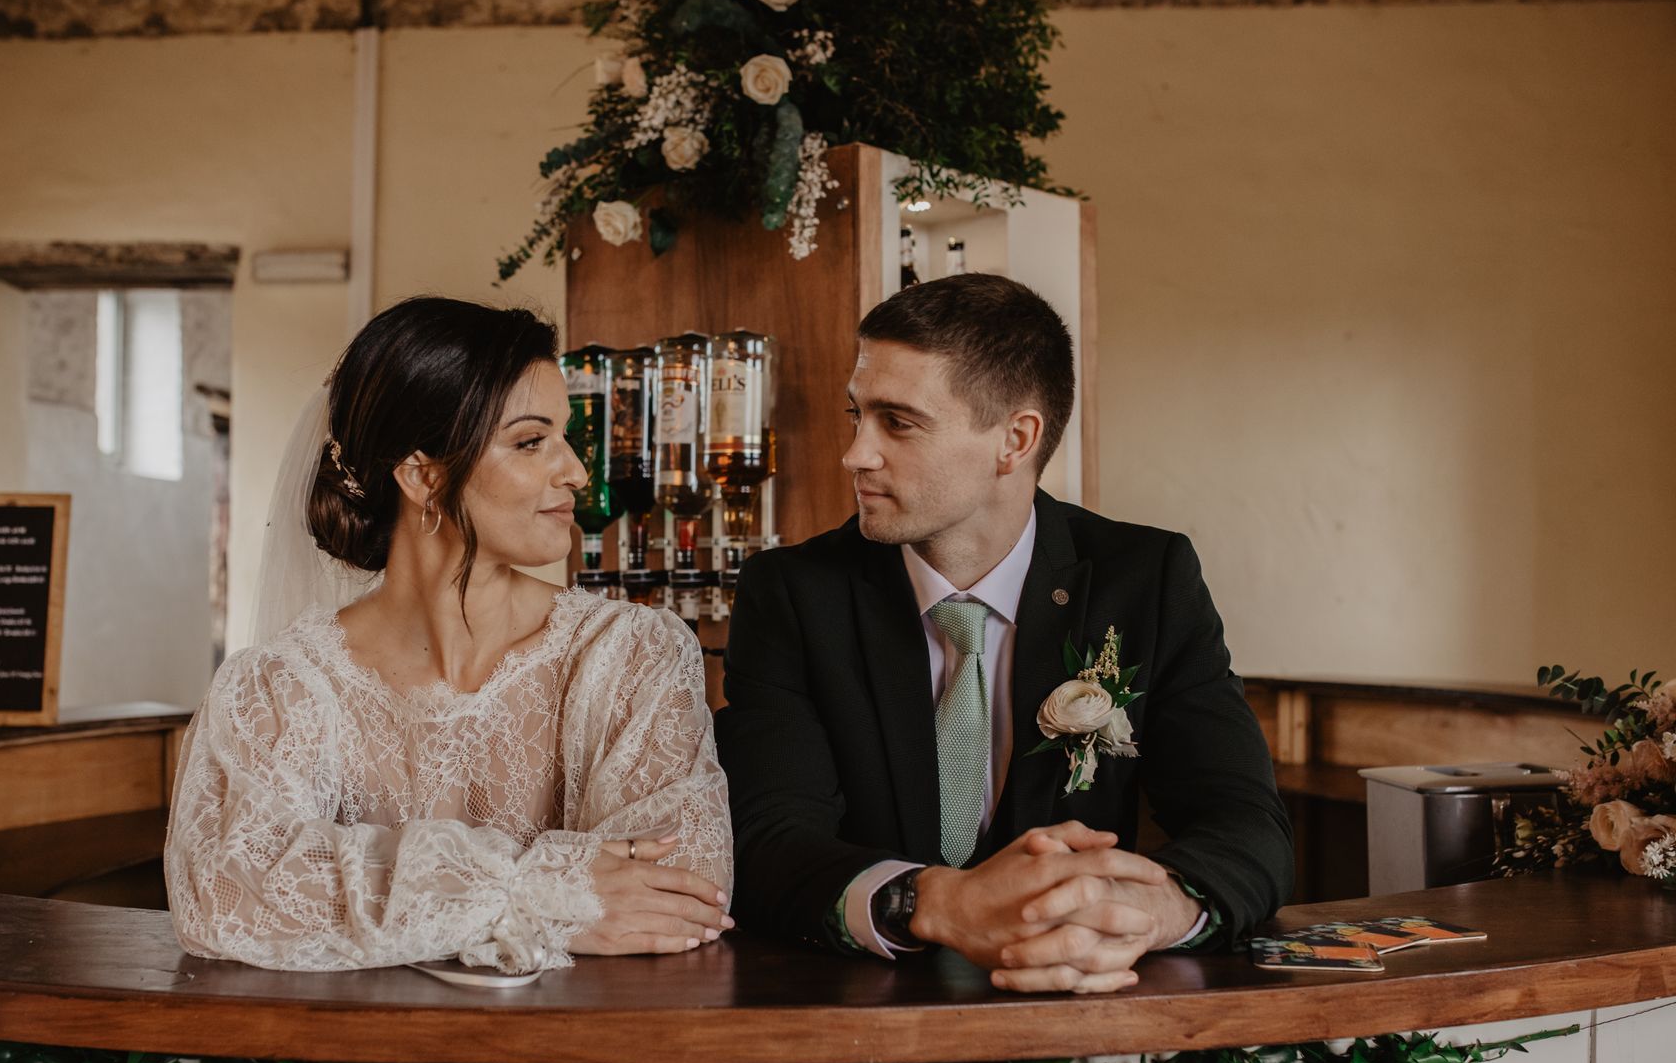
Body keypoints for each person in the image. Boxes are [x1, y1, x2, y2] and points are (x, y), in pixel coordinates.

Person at [717, 273, 1291, 994]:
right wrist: (936, 903)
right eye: (855, 415)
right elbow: (766, 840)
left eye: (897, 422)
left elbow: (1246, 825)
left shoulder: (1145, 579)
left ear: (1015, 440)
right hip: (859, 1024)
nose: (855, 454)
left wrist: (1149, 910)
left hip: (1080, 1013)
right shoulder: (795, 594)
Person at [165, 296, 733, 974]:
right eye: (531, 442)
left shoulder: (630, 657)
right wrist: (541, 888)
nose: (577, 472)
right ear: (423, 475)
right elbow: (227, 898)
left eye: (566, 437)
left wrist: (396, 899)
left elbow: (686, 889)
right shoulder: (277, 689)